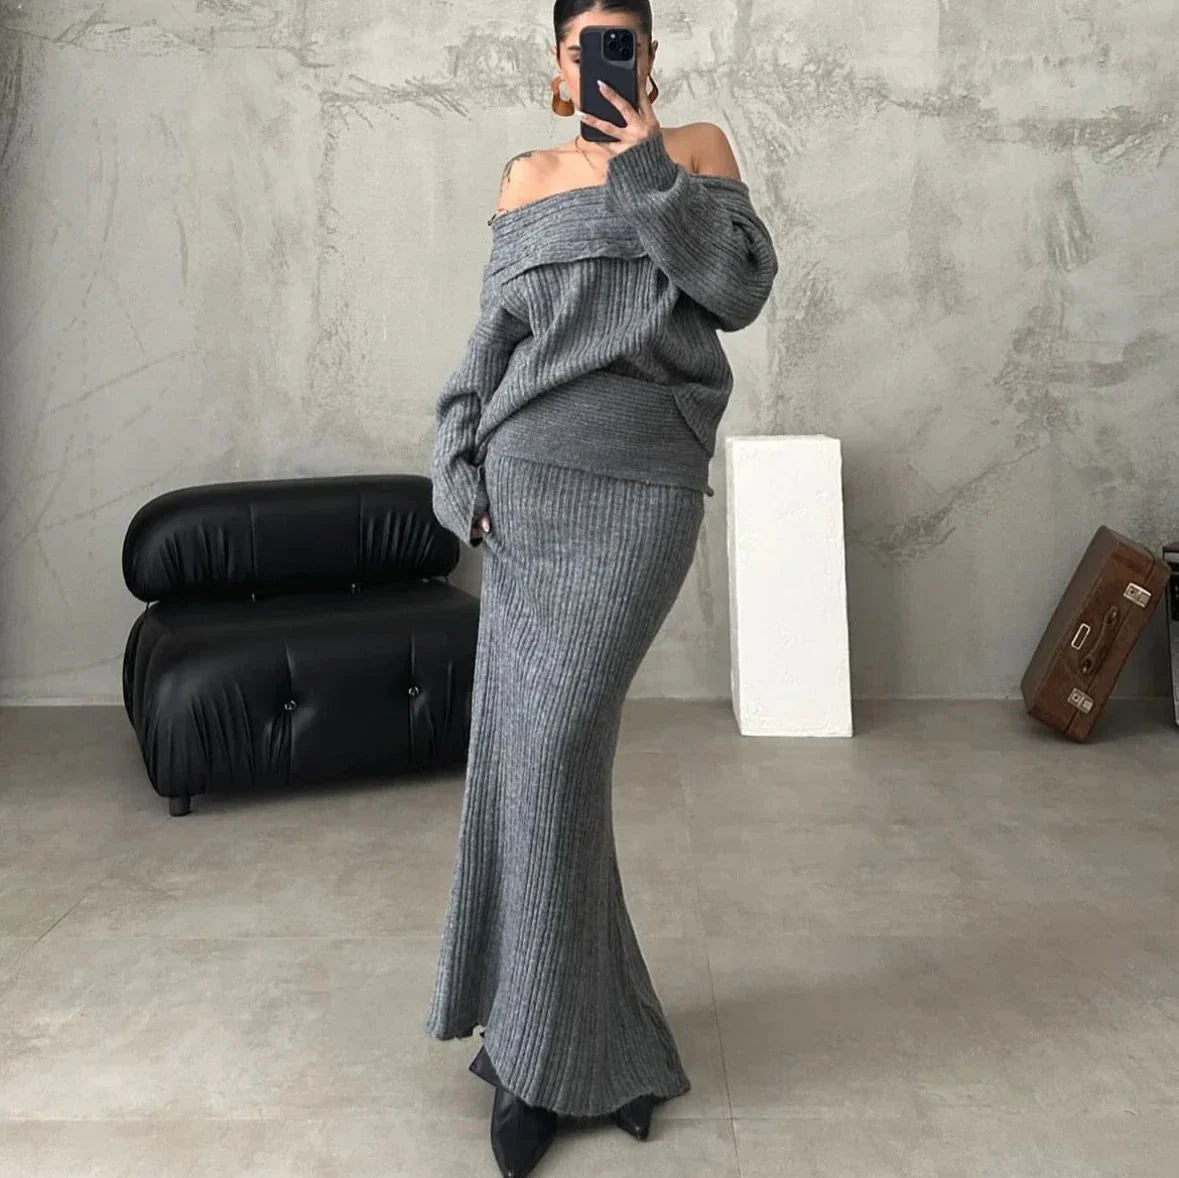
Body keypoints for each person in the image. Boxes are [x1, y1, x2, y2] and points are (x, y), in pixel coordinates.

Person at [424, 2, 779, 1174]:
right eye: (586, 45)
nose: (603, 60)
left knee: (554, 752)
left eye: (623, 42)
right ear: (559, 63)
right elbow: (489, 344)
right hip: (526, 485)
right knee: (541, 767)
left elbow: (736, 290)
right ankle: (579, 1050)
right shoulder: (525, 179)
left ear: (650, 59)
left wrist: (645, 170)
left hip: (643, 489)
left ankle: (549, 1051)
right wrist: (455, 463)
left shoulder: (698, 154)